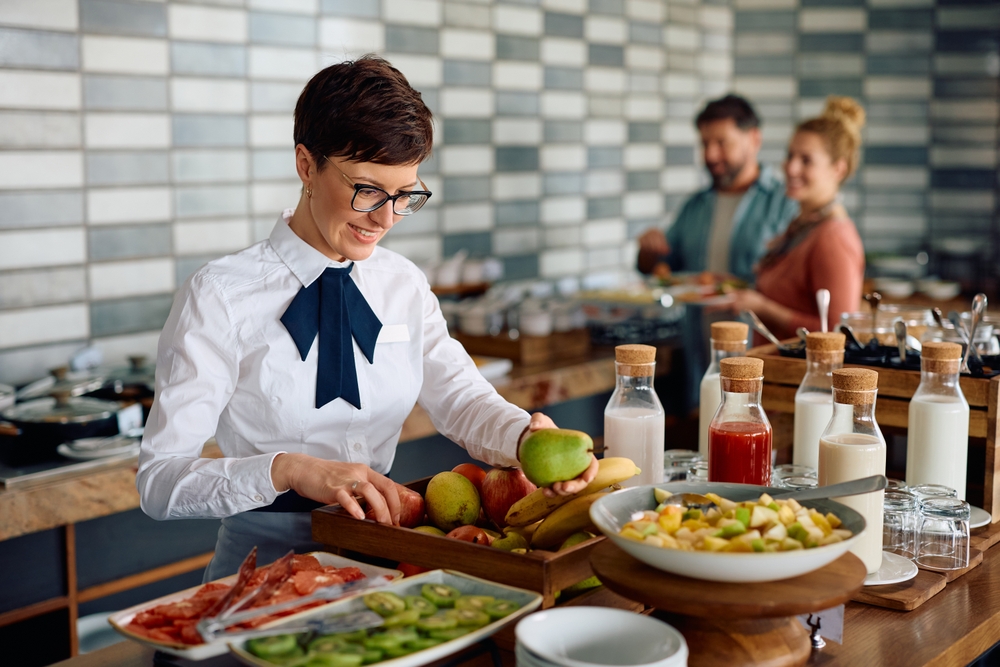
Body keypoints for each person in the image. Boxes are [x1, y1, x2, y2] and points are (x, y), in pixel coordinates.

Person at [136, 56, 597, 580]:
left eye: (405, 195)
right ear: (306, 166)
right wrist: (288, 469)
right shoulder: (219, 294)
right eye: (367, 190)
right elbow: (160, 482)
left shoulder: (402, 283)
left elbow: (463, 400)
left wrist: (525, 439)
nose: (385, 218)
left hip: (386, 550)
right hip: (264, 565)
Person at [729, 97, 866, 341]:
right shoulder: (805, 225)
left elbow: (837, 333)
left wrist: (762, 308)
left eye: (806, 160)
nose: (790, 168)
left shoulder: (833, 237)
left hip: (802, 377)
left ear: (838, 169)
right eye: (790, 155)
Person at [637, 94, 798, 283]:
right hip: (693, 314)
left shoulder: (786, 202)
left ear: (754, 140)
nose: (710, 155)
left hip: (753, 314)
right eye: (705, 144)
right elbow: (660, 268)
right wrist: (649, 250)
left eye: (722, 143)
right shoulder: (695, 205)